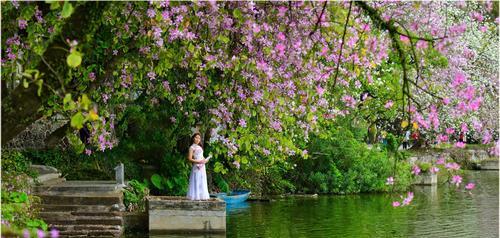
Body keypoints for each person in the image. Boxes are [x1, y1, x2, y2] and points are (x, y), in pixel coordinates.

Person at [186, 133, 211, 200]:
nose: (197, 139)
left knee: (202, 179)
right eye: (196, 137)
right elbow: (189, 158)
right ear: (193, 138)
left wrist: (205, 160)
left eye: (199, 138)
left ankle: (201, 196)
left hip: (202, 166)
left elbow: (202, 156)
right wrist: (198, 162)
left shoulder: (199, 147)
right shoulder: (192, 147)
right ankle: (196, 196)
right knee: (196, 179)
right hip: (196, 166)